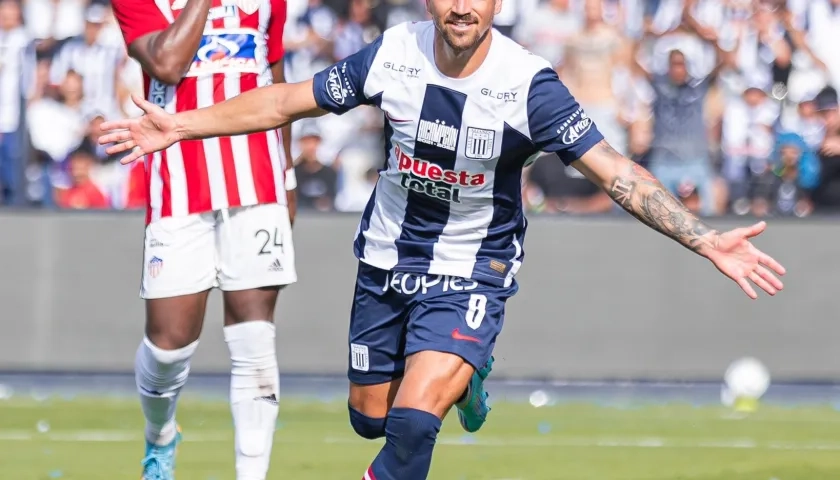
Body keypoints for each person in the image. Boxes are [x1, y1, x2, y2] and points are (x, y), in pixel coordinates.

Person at [100, 1, 787, 478]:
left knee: (412, 425)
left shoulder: (528, 86)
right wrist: (180, 125)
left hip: (472, 270)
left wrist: (704, 241)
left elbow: (617, 173)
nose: (463, 8)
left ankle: (458, 370)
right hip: (386, 262)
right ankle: (468, 382)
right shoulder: (393, 55)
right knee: (371, 419)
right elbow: (285, 100)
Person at [108, 0, 296, 478]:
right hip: (177, 181)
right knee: (169, 346)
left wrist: (287, 174)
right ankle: (161, 435)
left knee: (254, 338)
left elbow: (276, 81)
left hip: (257, 175)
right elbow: (167, 64)